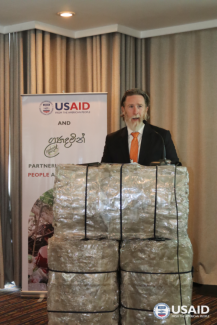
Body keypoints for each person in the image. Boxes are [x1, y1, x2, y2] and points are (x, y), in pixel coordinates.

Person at [101, 88, 180, 166]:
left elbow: (176, 168)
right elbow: (104, 171)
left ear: (146, 109)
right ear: (123, 110)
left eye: (140, 106)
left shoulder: (161, 136)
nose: (135, 112)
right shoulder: (112, 140)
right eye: (131, 106)